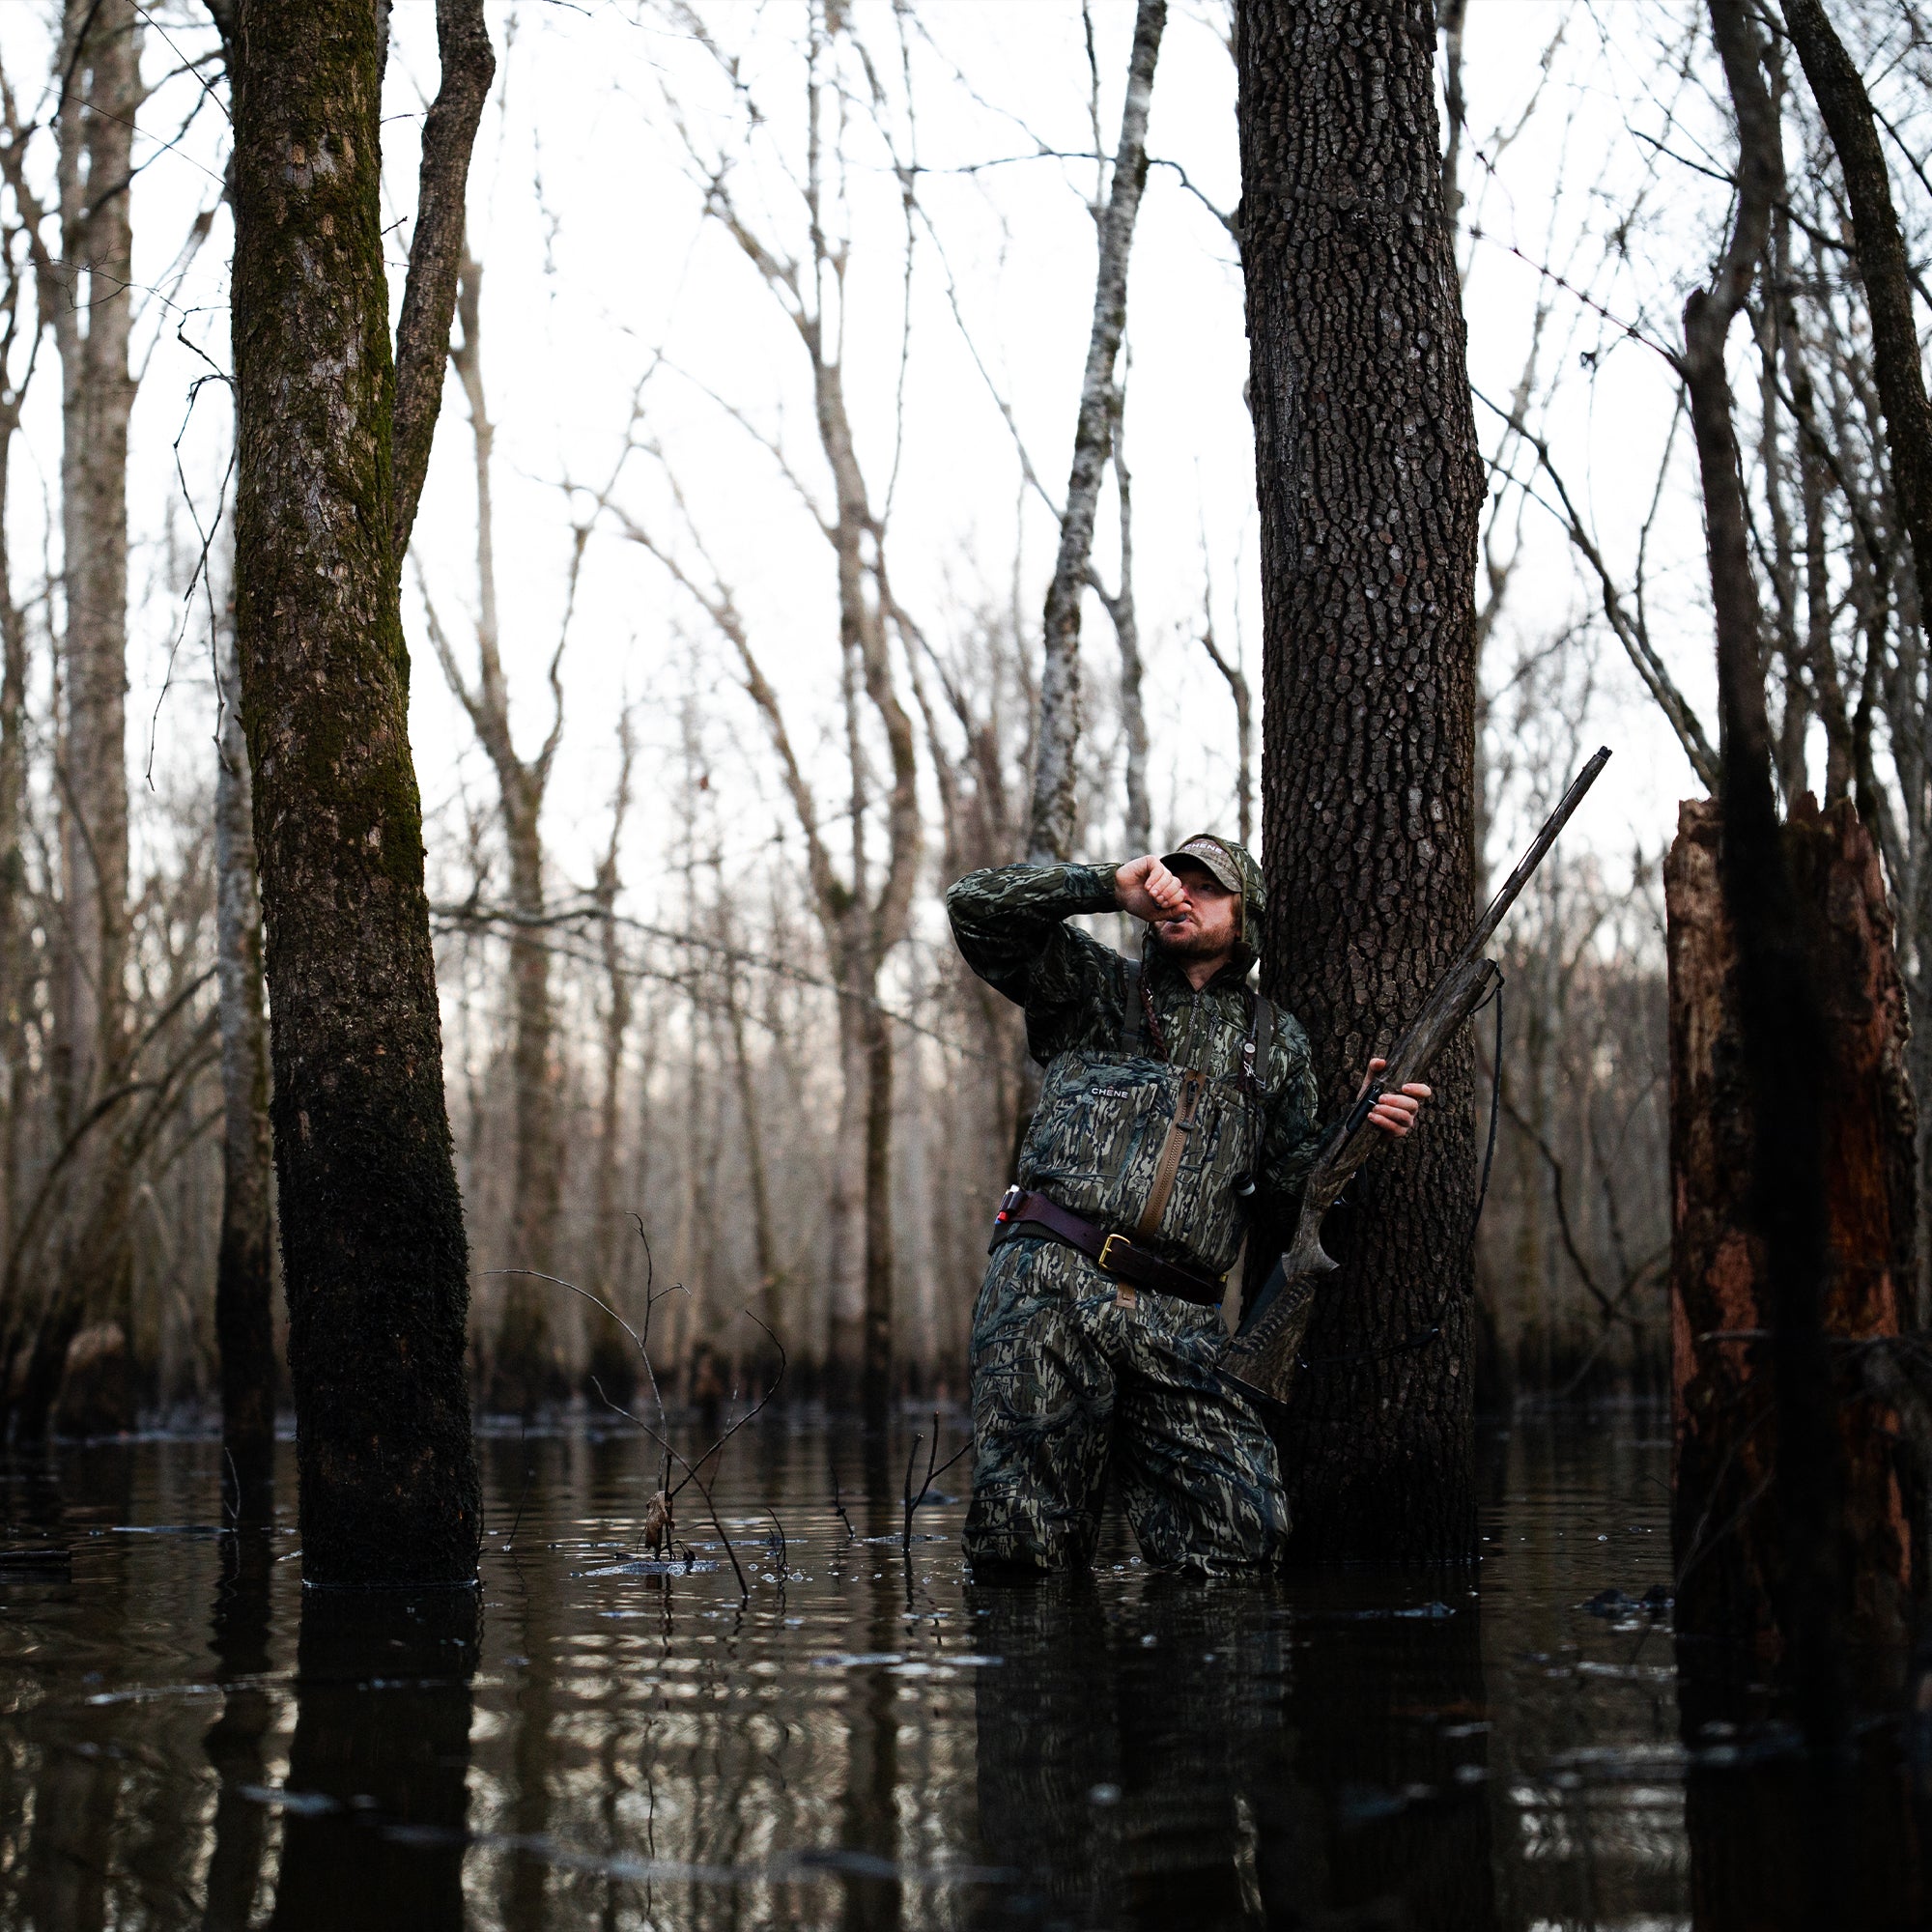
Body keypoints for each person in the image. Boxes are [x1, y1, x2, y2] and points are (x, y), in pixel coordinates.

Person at [947, 838, 1430, 1576]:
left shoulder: (1277, 1041)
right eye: (1180, 881)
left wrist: (1359, 1130)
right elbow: (974, 907)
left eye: (1211, 889)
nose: (1184, 895)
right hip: (1050, 1285)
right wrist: (1109, 886)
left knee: (1241, 1532)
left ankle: (1183, 1679)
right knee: (1026, 1545)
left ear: (1249, 920)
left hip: (1183, 1320)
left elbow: (1288, 1183)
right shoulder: (1093, 983)